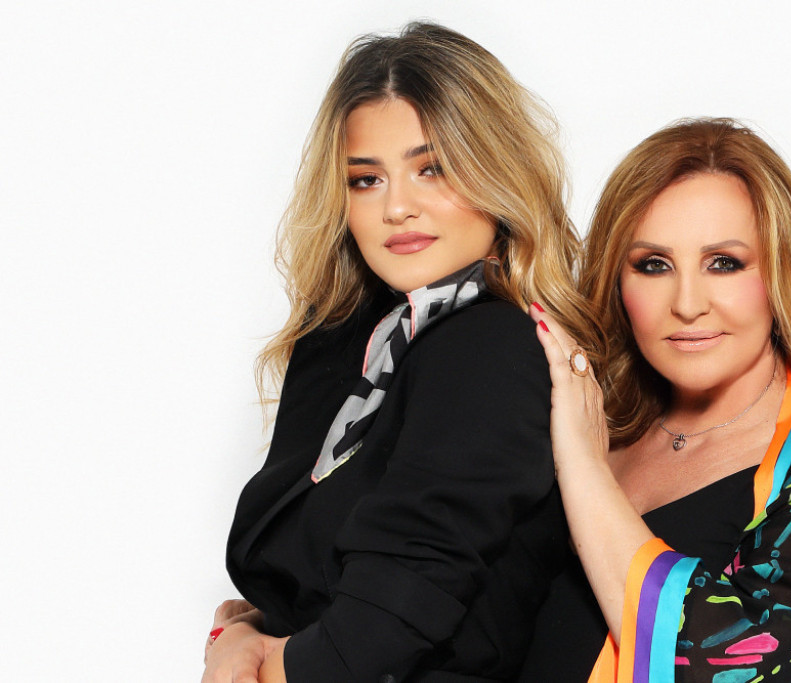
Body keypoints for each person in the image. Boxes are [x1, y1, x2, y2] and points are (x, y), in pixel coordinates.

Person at [202, 22, 597, 682]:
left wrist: (258, 662)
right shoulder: (340, 341)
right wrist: (242, 633)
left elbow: (389, 616)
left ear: (497, 171)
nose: (397, 207)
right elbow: (299, 583)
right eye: (366, 179)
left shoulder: (496, 346)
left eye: (431, 168)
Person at [521, 118, 791, 682]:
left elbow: (725, 666)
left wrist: (584, 469)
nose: (687, 304)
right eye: (653, 265)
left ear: (785, 273)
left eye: (724, 263)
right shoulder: (589, 427)